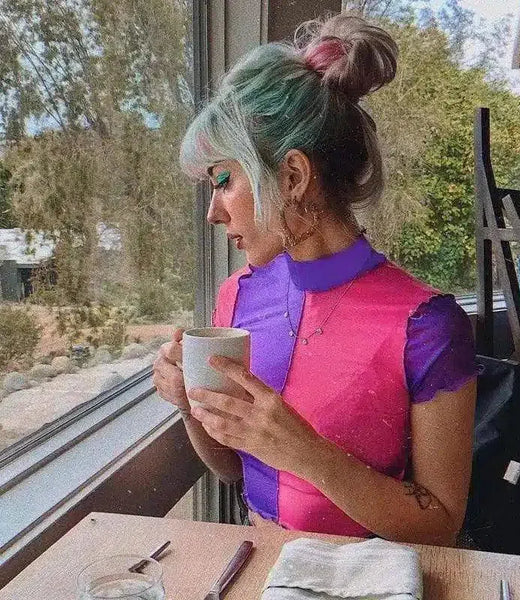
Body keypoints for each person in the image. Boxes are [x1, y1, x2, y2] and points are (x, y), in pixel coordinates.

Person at [153, 13, 477, 546]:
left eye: (224, 180)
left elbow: (441, 523)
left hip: (368, 576)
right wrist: (190, 405)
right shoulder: (236, 298)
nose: (213, 212)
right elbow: (233, 469)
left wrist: (305, 453)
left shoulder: (427, 326)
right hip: (259, 568)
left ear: (294, 176)